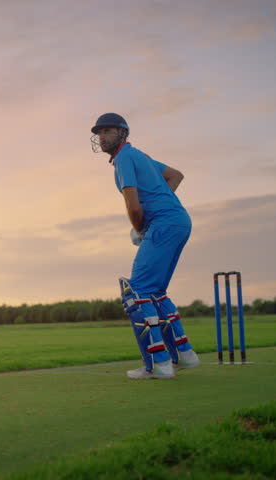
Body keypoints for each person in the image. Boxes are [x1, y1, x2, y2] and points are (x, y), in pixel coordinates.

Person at [91, 112, 201, 380]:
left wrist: (140, 228)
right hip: (178, 221)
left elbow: (133, 204)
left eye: (108, 131)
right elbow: (175, 176)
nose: (103, 136)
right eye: (99, 132)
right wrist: (161, 201)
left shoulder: (125, 158)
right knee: (155, 291)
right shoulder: (141, 156)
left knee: (136, 292)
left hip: (164, 224)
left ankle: (158, 364)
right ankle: (184, 355)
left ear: (123, 133)